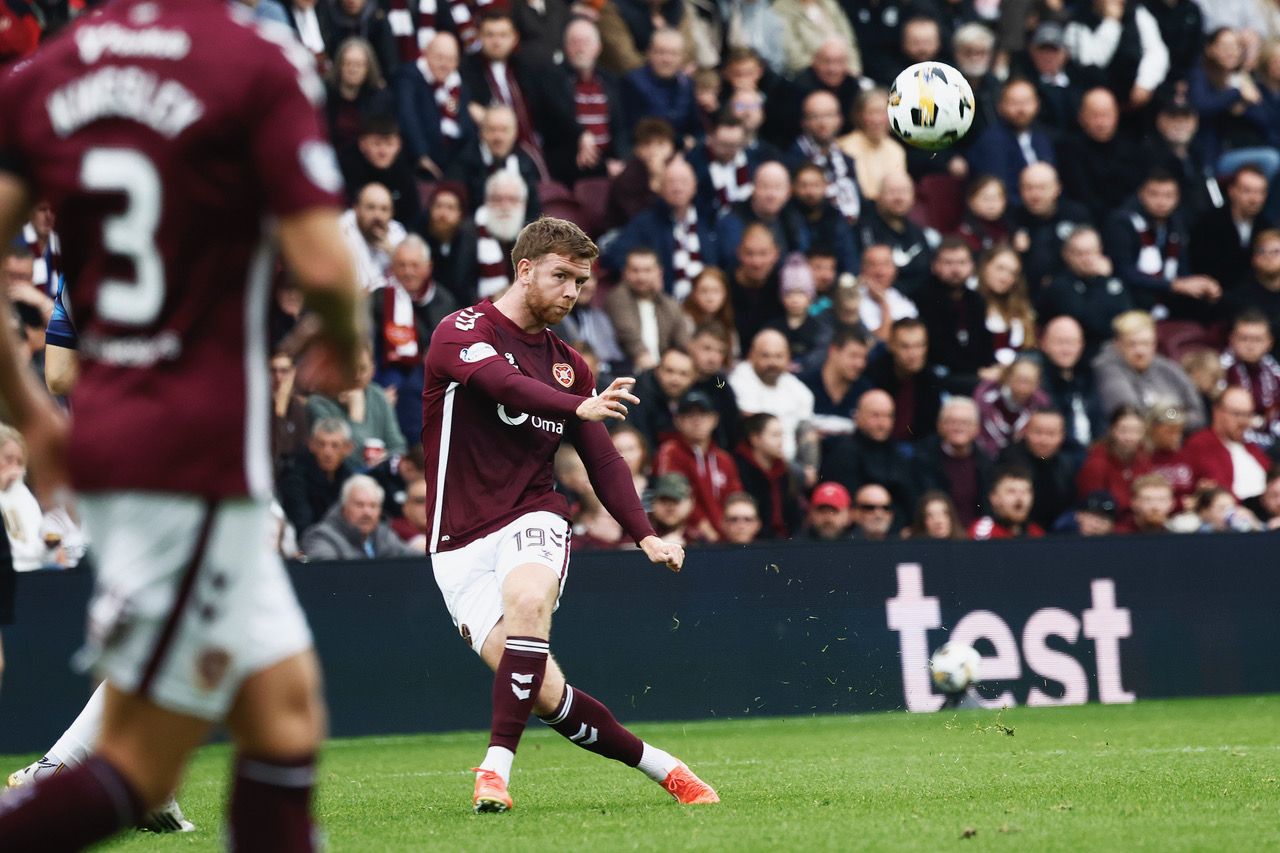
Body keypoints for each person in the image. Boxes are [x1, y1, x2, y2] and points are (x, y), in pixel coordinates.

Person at [0, 0, 368, 845]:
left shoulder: (51, 70)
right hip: (196, 446)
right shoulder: (255, 60)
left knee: (284, 712)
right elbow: (322, 261)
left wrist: (29, 414)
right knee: (140, 766)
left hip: (126, 441)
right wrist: (343, 336)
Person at [419, 217, 717, 812]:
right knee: (543, 693)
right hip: (455, 544)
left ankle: (494, 770)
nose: (571, 293)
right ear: (523, 269)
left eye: (580, 282)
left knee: (529, 600)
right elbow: (504, 386)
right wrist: (579, 404)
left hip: (532, 514)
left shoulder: (570, 365)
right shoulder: (460, 331)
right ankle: (666, 767)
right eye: (561, 277)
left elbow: (602, 460)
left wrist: (646, 534)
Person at [1102, 167, 1220, 321]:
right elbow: (1123, 272)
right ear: (1141, 194)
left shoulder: (1176, 223)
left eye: (1168, 196)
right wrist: (1173, 285)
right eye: (1154, 194)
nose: (1161, 202)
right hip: (1134, 298)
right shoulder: (1121, 222)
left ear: (1178, 198)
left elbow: (1182, 269)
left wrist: (1201, 284)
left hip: (1168, 298)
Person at [370, 234, 458, 441]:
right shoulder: (379, 298)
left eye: (414, 265)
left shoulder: (445, 302)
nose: (408, 272)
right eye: (401, 265)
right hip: (386, 377)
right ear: (392, 266)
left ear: (428, 267)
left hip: (427, 383)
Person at [1093, 310, 1208, 430]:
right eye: (1132, 344)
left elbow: (1198, 414)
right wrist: (1173, 417)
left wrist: (1170, 419)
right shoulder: (1107, 368)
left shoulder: (1168, 368)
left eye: (1146, 343)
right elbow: (1131, 414)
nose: (1140, 351)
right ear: (1117, 344)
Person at [653, 390, 743, 542]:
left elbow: (735, 499)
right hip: (690, 538)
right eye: (689, 415)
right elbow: (673, 494)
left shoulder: (724, 459)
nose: (697, 420)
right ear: (677, 421)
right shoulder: (670, 451)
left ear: (714, 419)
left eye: (703, 414)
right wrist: (706, 530)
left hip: (724, 539)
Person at [1037, 225, 1134, 361]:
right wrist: (1101, 280)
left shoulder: (1113, 283)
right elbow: (1090, 322)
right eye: (1079, 253)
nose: (1086, 259)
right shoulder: (1059, 286)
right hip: (1080, 358)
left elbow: (1127, 318)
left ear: (1100, 250)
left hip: (1116, 352)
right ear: (1066, 254)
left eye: (1090, 252)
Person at [914, 237, 996, 394]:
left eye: (961, 263)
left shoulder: (976, 300)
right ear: (934, 266)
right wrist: (978, 371)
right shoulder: (924, 298)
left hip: (974, 372)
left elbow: (984, 341)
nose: (955, 270)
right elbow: (937, 349)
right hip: (940, 374)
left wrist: (992, 367)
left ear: (972, 266)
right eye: (948, 263)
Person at [307, 344, 407, 470]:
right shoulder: (319, 403)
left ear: (373, 370)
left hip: (380, 475)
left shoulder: (378, 395)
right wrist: (356, 414)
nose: (357, 376)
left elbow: (398, 446)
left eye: (363, 369)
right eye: (351, 369)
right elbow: (351, 459)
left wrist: (384, 459)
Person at [818, 389, 915, 519]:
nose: (883, 423)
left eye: (888, 416)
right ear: (857, 417)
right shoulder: (843, 453)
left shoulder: (898, 455)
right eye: (875, 415)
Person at [393, 32, 477, 180]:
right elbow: (407, 116)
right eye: (439, 57)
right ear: (426, 55)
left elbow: (466, 129)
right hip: (417, 166)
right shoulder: (409, 77)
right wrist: (421, 155)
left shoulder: (460, 87)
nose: (444, 64)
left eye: (450, 59)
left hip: (452, 168)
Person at [966, 79, 1056, 207]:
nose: (1021, 109)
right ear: (1000, 106)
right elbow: (1000, 190)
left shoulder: (1043, 139)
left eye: (1027, 102)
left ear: (1037, 105)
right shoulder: (992, 142)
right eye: (1014, 103)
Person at [446, 104, 544, 221]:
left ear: (515, 133)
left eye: (504, 130)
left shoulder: (526, 163)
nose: (498, 137)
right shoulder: (463, 164)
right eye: (492, 130)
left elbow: (534, 209)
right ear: (481, 132)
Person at [1009, 162, 1094, 293]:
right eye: (1029, 188)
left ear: (1058, 188)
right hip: (1027, 294)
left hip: (1075, 289)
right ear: (1020, 190)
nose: (1035, 195)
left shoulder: (1076, 215)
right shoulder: (1012, 219)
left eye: (1042, 188)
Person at [910, 396, 993, 528]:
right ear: (939, 425)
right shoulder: (922, 461)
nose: (958, 428)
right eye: (952, 422)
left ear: (977, 428)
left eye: (965, 422)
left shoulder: (986, 463)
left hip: (976, 540)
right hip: (936, 539)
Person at [604, 247, 689, 373]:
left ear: (659, 273)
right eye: (635, 270)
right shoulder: (618, 298)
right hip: (626, 371)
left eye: (647, 270)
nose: (641, 277)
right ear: (624, 272)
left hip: (663, 373)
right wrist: (654, 370)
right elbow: (628, 335)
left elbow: (682, 343)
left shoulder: (669, 304)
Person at [1190, 164, 1273, 291]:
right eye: (1247, 191)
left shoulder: (1267, 228)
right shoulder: (1208, 224)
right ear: (1231, 190)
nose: (1254, 198)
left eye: (1260, 192)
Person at [1181, 386, 1271, 503]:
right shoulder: (1200, 444)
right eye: (1237, 414)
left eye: (1248, 415)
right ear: (1217, 412)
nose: (1243, 422)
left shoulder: (1251, 448)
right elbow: (1213, 487)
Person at [298, 474, 419, 560]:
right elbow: (327, 573)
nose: (367, 512)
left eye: (373, 506)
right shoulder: (320, 536)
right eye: (359, 505)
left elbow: (414, 560)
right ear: (344, 508)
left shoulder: (383, 534)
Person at [859, 170, 939, 299]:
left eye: (904, 191)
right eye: (892, 192)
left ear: (913, 196)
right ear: (879, 195)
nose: (899, 198)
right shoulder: (864, 230)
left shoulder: (918, 232)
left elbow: (928, 273)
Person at [864, 317, 945, 443]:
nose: (913, 354)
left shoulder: (929, 379)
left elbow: (926, 429)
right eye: (905, 346)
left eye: (919, 345)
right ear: (890, 345)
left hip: (916, 446)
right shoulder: (873, 375)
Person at [998, 408, 1079, 531]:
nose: (1043, 440)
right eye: (1038, 432)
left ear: (1062, 436)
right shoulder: (1009, 460)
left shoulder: (1066, 465)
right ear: (1026, 432)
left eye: (1051, 434)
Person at [1076, 404, 1154, 525]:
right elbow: (1092, 507)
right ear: (1112, 430)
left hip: (1140, 525)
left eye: (1136, 431)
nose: (1129, 437)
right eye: (1123, 430)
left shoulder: (1144, 459)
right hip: (1107, 527)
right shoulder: (1096, 463)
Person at [280, 418, 360, 535]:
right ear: (311, 444)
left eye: (335, 445)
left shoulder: (349, 479)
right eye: (322, 444)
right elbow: (302, 526)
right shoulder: (295, 478)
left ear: (348, 448)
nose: (327, 452)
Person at [732, 413, 804, 539]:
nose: (781, 441)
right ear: (755, 439)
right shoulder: (739, 469)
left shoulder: (785, 471)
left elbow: (793, 514)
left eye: (782, 435)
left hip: (784, 544)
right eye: (775, 435)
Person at [974, 358, 1051, 456]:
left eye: (1029, 382)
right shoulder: (986, 393)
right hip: (986, 453)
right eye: (1020, 380)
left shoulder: (1041, 402)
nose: (1023, 387)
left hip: (1023, 457)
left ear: (1037, 384)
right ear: (1008, 377)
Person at [340, 181, 407, 291]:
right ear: (356, 209)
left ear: (391, 213)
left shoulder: (397, 234)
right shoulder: (342, 229)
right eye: (371, 208)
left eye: (384, 209)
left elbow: (412, 284)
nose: (378, 215)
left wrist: (392, 252)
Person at [473, 170, 529, 297]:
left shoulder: (530, 239)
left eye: (512, 199)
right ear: (487, 201)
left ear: (523, 205)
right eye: (498, 199)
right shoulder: (470, 234)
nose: (505, 206)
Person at [969, 467, 1045, 538]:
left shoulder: (1037, 533)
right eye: (1011, 491)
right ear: (994, 497)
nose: (1019, 498)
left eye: (1025, 492)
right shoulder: (983, 532)